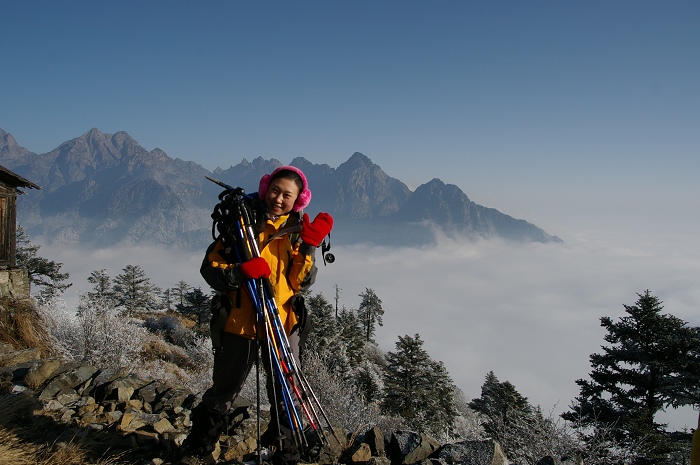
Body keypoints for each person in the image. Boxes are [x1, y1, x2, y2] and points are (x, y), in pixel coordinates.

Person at [180, 166, 333, 465]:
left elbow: (299, 283)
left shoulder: (298, 231)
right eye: (275, 190)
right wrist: (240, 272)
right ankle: (198, 450)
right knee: (225, 389)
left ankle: (285, 453)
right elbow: (210, 269)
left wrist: (310, 246)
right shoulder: (240, 225)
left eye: (287, 195)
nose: (278, 199)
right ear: (266, 188)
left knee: (286, 390)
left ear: (299, 200)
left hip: (282, 323)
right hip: (240, 323)